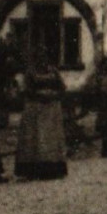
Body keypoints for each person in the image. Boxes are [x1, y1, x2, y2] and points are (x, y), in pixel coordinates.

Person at [15, 51, 67, 180]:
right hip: (35, 107)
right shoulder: (31, 72)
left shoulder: (53, 71)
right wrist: (38, 95)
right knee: (35, 137)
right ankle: (33, 169)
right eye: (38, 57)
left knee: (50, 138)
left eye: (44, 57)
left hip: (51, 108)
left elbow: (62, 87)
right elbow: (26, 89)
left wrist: (54, 94)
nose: (41, 60)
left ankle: (52, 169)